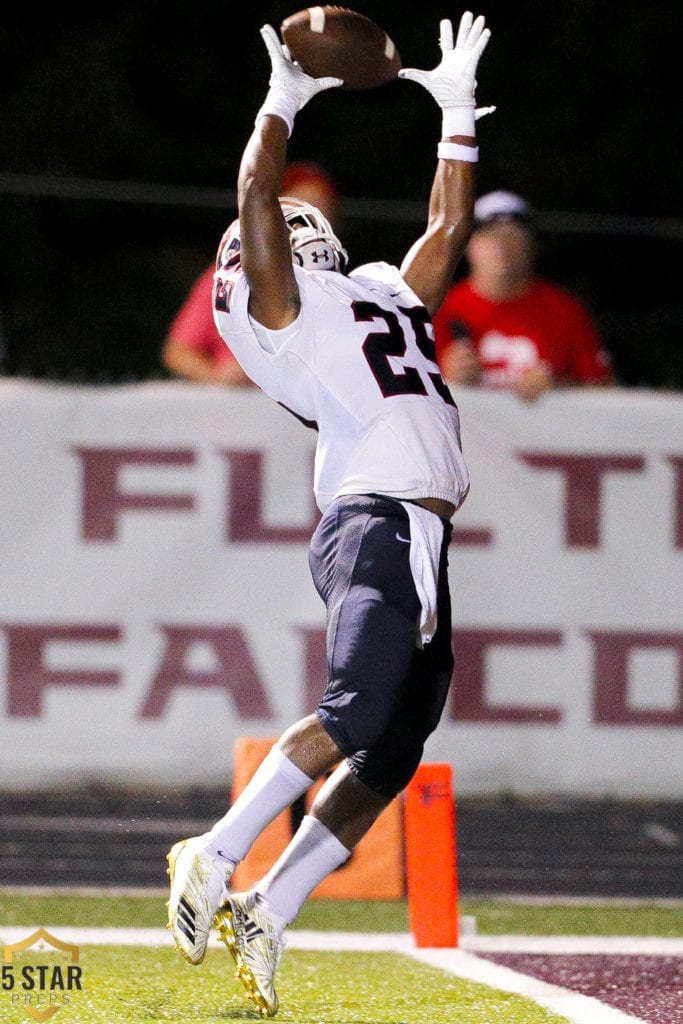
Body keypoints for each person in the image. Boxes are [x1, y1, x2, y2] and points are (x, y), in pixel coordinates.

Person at [166, 10, 492, 1018]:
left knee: (393, 746)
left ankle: (271, 900)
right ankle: (214, 852)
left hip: (419, 532)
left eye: (315, 229)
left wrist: (451, 116)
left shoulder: (373, 291)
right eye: (283, 234)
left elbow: (443, 234)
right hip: (376, 521)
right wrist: (280, 102)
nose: (305, 231)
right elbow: (256, 194)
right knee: (352, 710)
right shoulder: (280, 312)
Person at [160, 161, 341, 385]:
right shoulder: (229, 274)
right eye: (301, 209)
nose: (309, 223)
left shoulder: (340, 287)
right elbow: (178, 351)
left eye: (322, 210)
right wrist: (220, 378)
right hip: (239, 413)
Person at [432, 189, 615, 402]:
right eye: (490, 235)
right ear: (468, 245)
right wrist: (444, 379)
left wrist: (558, 387)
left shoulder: (565, 310)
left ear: (532, 244)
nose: (501, 246)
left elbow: (604, 390)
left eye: (513, 235)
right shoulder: (439, 308)